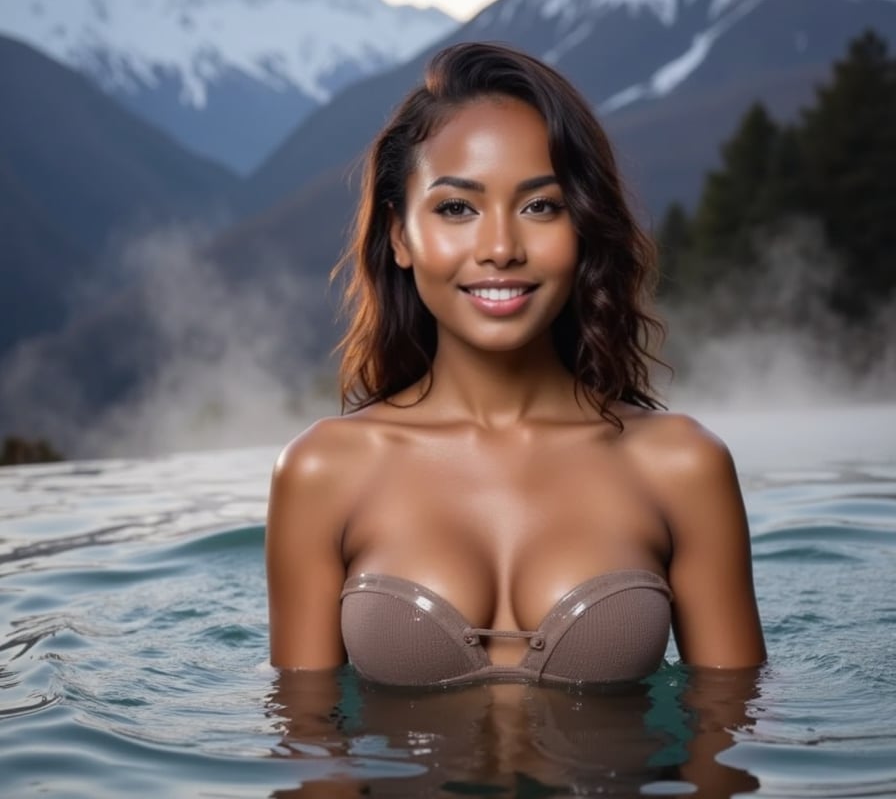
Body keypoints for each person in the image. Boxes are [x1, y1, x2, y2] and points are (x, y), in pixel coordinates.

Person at [265, 42, 766, 687]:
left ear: (582, 227)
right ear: (399, 236)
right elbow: (308, 742)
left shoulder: (681, 466)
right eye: (456, 208)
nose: (500, 248)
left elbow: (730, 726)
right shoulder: (322, 471)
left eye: (540, 206)